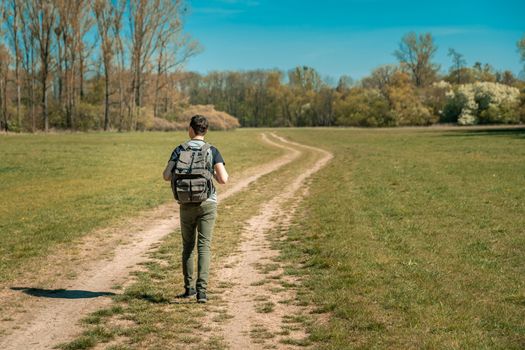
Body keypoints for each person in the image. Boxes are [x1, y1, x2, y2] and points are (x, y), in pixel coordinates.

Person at [163, 115, 228, 303]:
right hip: (207, 203)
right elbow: (223, 179)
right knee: (204, 246)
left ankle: (189, 288)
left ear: (191, 129)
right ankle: (202, 292)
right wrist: (211, 173)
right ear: (205, 131)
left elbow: (166, 176)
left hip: (185, 204)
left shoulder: (179, 150)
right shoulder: (212, 150)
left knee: (188, 247)